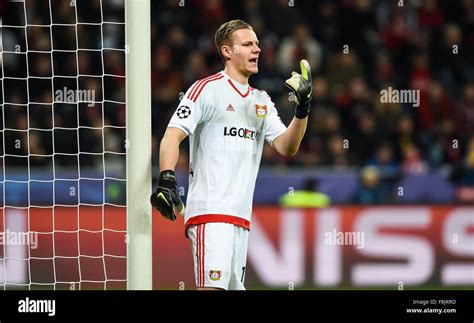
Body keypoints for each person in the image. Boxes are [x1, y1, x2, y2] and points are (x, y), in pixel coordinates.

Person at [150, 19, 312, 290]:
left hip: (241, 219)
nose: (257, 49)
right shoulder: (206, 89)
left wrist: (302, 109)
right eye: (248, 44)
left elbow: (287, 146)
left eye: (257, 44)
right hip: (211, 213)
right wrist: (167, 178)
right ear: (227, 51)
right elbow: (172, 135)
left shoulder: (261, 101)